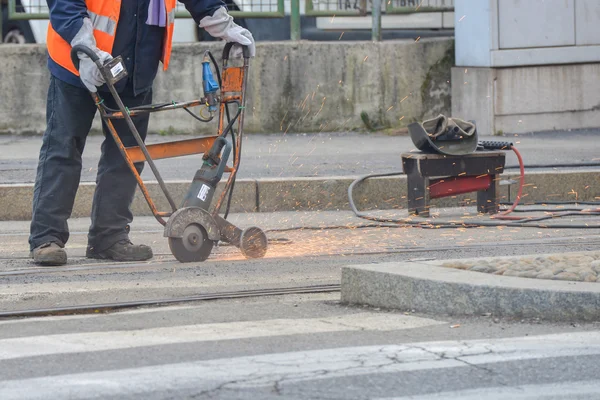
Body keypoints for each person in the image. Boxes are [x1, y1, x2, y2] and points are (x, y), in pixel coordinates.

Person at [29, 0, 255, 266]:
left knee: (127, 155)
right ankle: (47, 238)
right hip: (77, 63)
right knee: (63, 147)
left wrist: (223, 24)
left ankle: (109, 237)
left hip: (136, 66)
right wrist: (86, 50)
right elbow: (65, 4)